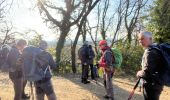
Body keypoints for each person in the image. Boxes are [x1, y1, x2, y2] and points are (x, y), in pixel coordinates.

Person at [136, 31, 166, 100]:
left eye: (142, 38)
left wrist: (139, 73)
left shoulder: (150, 52)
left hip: (151, 85)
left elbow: (147, 72)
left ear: (150, 38)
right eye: (139, 39)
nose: (140, 41)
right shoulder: (156, 49)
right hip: (156, 83)